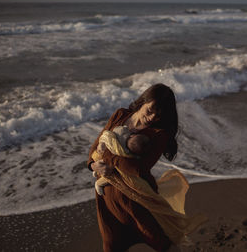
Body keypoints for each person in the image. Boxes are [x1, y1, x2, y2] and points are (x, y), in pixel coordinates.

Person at [87, 83, 206, 252]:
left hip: (138, 200)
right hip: (108, 201)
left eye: (158, 115)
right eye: (150, 110)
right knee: (111, 247)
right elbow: (94, 149)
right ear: (143, 101)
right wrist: (94, 165)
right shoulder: (120, 115)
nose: (152, 118)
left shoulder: (157, 134)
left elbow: (137, 168)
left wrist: (105, 158)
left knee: (162, 243)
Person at [93, 125, 150, 196]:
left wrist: (126, 127)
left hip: (103, 152)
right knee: (111, 174)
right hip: (108, 157)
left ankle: (96, 170)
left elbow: (117, 128)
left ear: (132, 135)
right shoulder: (125, 152)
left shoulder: (122, 131)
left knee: (101, 161)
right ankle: (99, 183)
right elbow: (130, 157)